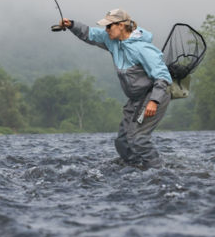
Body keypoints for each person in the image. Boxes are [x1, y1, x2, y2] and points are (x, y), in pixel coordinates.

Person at [58, 9, 172, 169]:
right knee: (123, 141)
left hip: (153, 96)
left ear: (121, 26)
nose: (106, 30)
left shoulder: (143, 48)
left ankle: (158, 170)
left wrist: (154, 101)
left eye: (109, 26)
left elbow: (163, 75)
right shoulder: (112, 40)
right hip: (136, 100)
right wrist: (72, 25)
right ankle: (133, 167)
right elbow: (90, 34)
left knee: (137, 138)